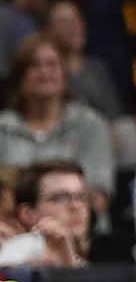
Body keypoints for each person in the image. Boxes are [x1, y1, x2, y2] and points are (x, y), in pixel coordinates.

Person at [0, 36, 115, 202]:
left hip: (80, 225)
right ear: (19, 77)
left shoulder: (91, 124)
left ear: (64, 75)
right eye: (34, 65)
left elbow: (98, 195)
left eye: (52, 64)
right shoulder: (3, 128)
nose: (44, 72)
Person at [0, 160, 91, 268]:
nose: (76, 206)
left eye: (82, 196)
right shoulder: (23, 251)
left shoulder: (92, 259)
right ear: (28, 214)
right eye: (60, 198)